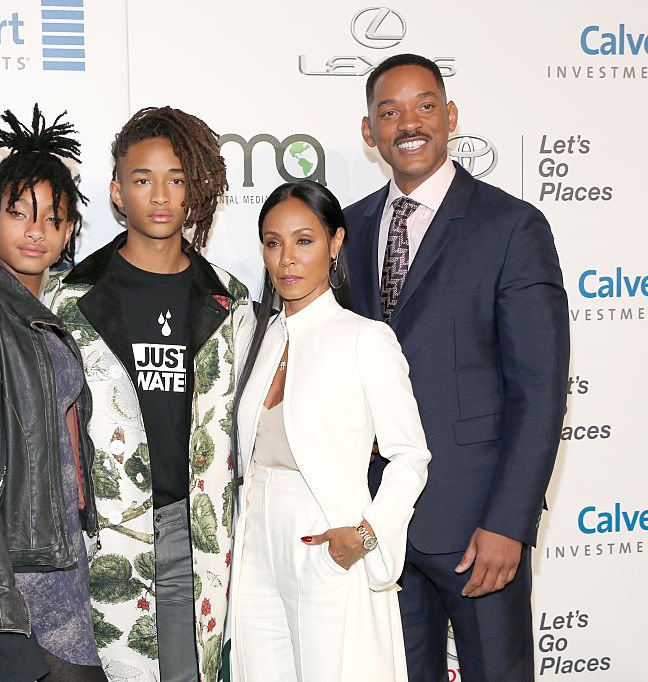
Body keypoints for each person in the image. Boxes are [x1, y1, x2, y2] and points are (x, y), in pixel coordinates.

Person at [343, 53, 569, 682]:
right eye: (389, 111)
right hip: (380, 525)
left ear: (451, 117)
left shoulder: (512, 226)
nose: (407, 122)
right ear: (369, 132)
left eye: (424, 105)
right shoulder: (349, 228)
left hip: (477, 525)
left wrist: (508, 523)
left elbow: (540, 389)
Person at [45, 106, 253, 682]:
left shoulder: (231, 302)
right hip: (102, 541)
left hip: (201, 536)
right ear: (117, 191)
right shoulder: (67, 302)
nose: (160, 195)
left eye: (176, 178)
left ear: (195, 189)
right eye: (143, 179)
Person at [228, 180, 430, 681]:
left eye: (304, 240)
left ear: (335, 244)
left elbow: (410, 455)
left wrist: (367, 534)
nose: (287, 259)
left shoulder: (364, 338)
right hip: (256, 540)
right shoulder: (258, 336)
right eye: (273, 243)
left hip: (325, 539)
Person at [0, 105, 107, 682]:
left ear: (67, 233)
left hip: (68, 565)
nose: (35, 231)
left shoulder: (40, 317)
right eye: (18, 213)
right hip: (26, 580)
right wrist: (2, 613)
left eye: (52, 219)